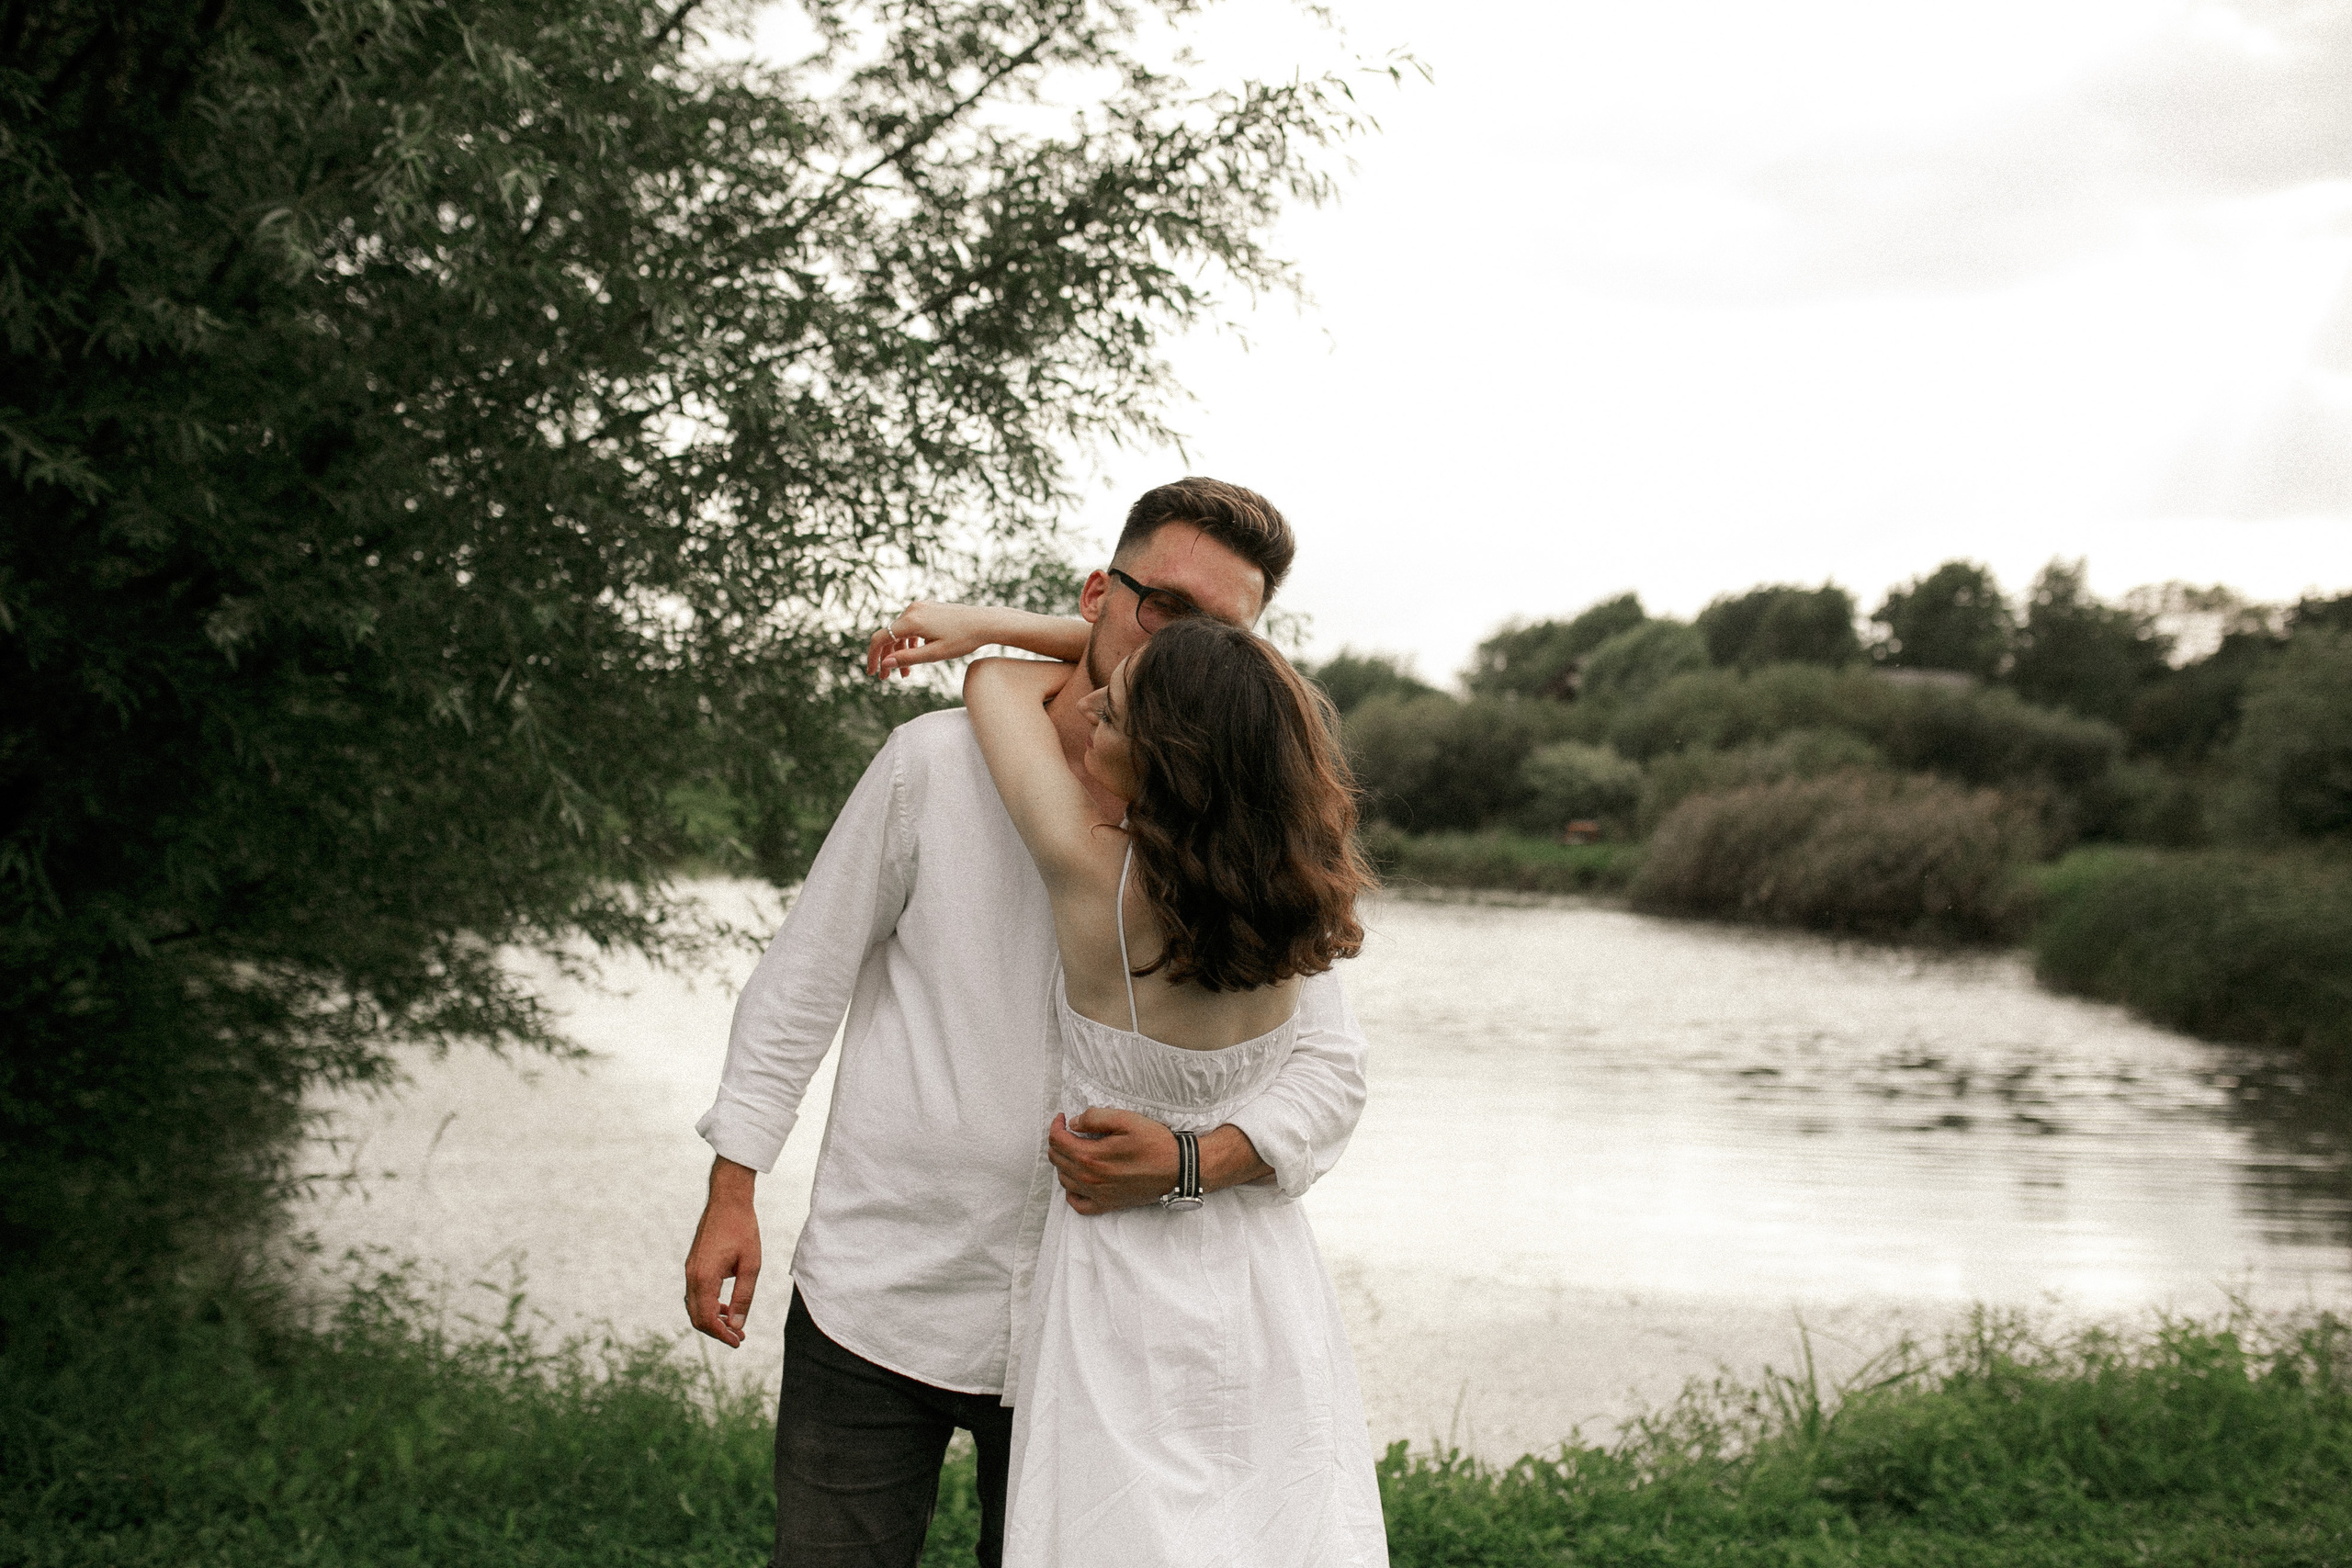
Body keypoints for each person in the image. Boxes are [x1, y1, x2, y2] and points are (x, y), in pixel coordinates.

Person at [683, 479, 1374, 1568]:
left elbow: (1329, 1077)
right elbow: (800, 981)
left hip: (1103, 1329)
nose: (1174, 651)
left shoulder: (1248, 846)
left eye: (1217, 635)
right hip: (884, 1289)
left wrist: (1195, 1160)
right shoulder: (929, 766)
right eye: (1163, 612)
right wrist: (735, 1183)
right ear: (1100, 592)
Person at [961, 616, 1387, 1564]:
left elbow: (991, 680)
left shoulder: (1088, 876)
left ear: (1164, 756)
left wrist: (1012, 623)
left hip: (1117, 1277)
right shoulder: (1298, 897)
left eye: (1113, 713)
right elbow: (1328, 1076)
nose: (1092, 708)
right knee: (1269, 1523)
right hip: (1259, 1269)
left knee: (1119, 1528)